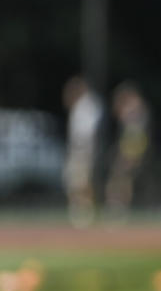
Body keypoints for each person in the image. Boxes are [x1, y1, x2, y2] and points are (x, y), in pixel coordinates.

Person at [62, 75, 105, 228]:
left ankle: (84, 213)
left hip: (83, 150)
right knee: (76, 182)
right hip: (80, 149)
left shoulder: (86, 106)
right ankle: (80, 211)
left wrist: (83, 150)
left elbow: (86, 133)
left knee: (81, 182)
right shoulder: (82, 106)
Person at [105, 80, 151, 217]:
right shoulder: (137, 109)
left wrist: (132, 154)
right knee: (121, 178)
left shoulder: (136, 109)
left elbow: (136, 135)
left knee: (122, 178)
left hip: (132, 147)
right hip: (129, 146)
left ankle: (119, 206)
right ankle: (118, 205)